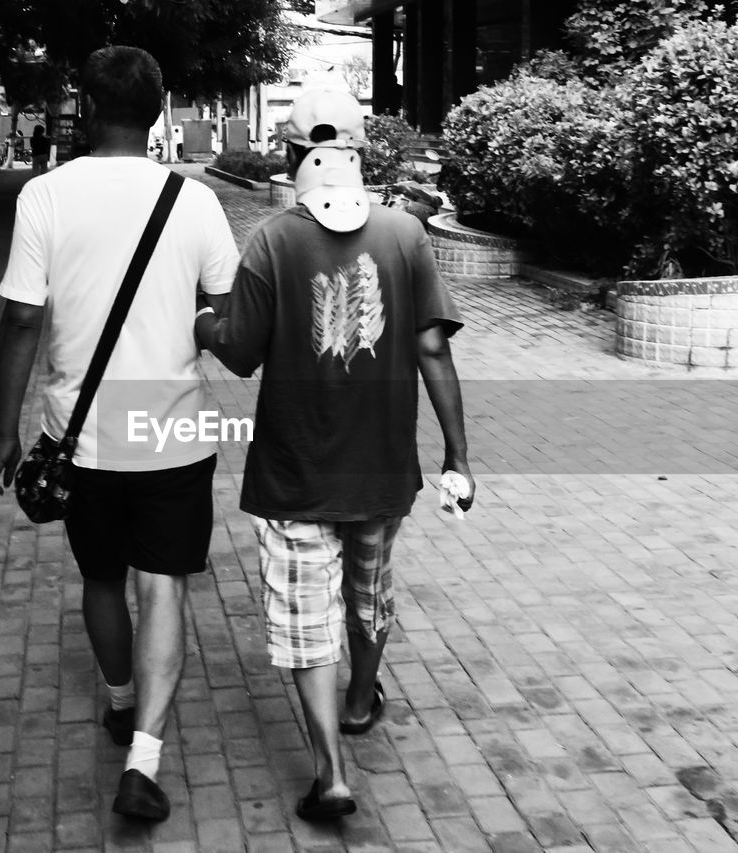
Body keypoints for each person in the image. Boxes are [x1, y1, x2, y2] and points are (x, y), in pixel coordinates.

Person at [195, 88, 475, 822]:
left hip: (294, 473)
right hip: (382, 468)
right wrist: (458, 455)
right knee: (370, 593)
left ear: (291, 154)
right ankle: (360, 700)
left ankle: (331, 772)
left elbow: (241, 354)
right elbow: (432, 348)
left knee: (304, 619)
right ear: (360, 151)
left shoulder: (271, 241)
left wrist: (203, 323)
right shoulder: (406, 235)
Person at [0, 45, 239, 823]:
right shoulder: (193, 202)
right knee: (163, 584)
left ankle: (122, 699)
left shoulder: (46, 197)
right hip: (174, 434)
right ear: (160, 113)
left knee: (101, 577)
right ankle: (145, 758)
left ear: (84, 110)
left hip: (80, 436)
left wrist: (6, 431)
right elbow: (224, 316)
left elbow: (23, 316)